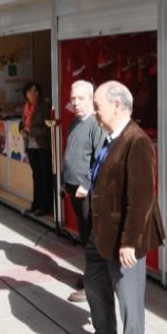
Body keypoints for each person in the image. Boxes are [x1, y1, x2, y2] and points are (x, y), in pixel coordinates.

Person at [70, 81, 164, 334]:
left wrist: (129, 243)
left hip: (125, 237)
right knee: (96, 286)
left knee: (128, 296)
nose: (94, 111)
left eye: (97, 105)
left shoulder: (136, 142)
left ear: (117, 106)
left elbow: (141, 199)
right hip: (101, 231)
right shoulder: (110, 137)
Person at [61, 80, 104, 303]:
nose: (75, 103)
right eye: (73, 98)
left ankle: (93, 285)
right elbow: (70, 151)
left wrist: (86, 184)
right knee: (85, 236)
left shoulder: (96, 124)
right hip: (73, 187)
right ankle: (90, 276)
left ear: (91, 99)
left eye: (80, 98)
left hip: (86, 191)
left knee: (91, 238)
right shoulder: (75, 122)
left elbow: (99, 159)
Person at [21, 81, 53, 216]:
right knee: (36, 175)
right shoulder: (26, 107)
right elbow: (23, 123)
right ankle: (36, 204)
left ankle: (45, 206)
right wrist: (22, 129)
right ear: (26, 94)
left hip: (42, 145)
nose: (33, 94)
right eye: (29, 91)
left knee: (45, 175)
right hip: (30, 145)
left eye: (35, 91)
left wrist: (31, 131)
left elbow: (48, 128)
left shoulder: (44, 106)